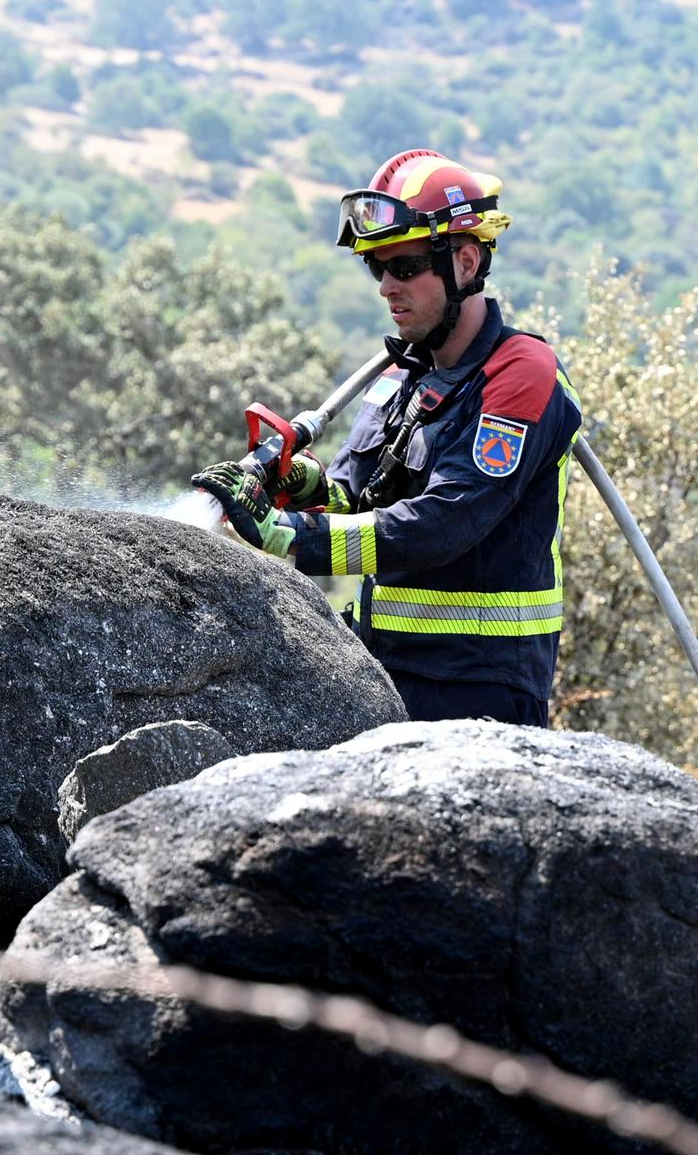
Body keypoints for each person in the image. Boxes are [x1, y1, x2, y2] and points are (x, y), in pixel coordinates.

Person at [192, 150, 583, 727]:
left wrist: (286, 535)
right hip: (378, 665)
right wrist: (302, 487)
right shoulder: (399, 375)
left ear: (466, 263)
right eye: (377, 269)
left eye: (402, 268)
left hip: (478, 688)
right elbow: (359, 498)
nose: (385, 288)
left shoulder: (522, 373)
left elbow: (445, 522)